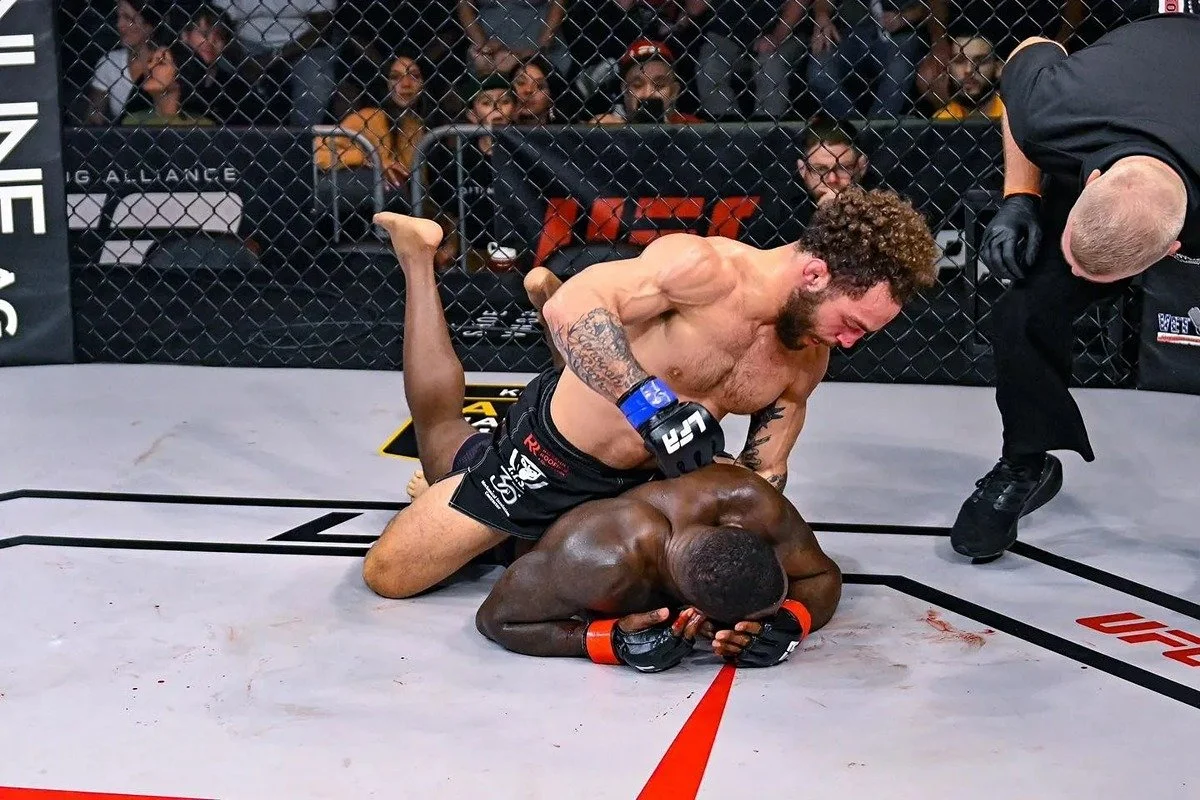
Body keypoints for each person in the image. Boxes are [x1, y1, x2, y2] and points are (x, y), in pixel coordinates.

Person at [363, 190, 937, 599]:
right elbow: (572, 306)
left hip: (653, 488)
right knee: (396, 566)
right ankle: (418, 256)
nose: (850, 342)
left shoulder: (807, 357)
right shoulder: (705, 271)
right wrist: (651, 407)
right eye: (851, 323)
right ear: (814, 275)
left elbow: (762, 478)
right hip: (559, 458)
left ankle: (571, 356)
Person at [950, 12, 1200, 561]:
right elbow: (1031, 46)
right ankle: (1026, 462)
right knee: (1022, 311)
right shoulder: (1057, 110)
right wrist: (1021, 196)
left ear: (1173, 251)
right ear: (1091, 179)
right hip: (1124, 90)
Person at [475, 463, 841, 671]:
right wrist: (608, 641)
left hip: (617, 472)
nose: (765, 623)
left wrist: (792, 621)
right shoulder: (600, 561)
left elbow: (821, 575)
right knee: (454, 449)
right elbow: (496, 619)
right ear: (696, 610)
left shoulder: (750, 502)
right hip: (509, 500)